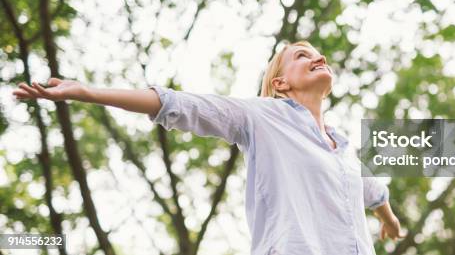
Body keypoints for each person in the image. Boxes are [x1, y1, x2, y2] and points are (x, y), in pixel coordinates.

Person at [13, 41, 404, 255]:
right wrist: (85, 92)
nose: (317, 56)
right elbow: (179, 105)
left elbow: (371, 190)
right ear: (280, 83)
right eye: (302, 55)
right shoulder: (263, 117)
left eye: (318, 54)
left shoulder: (343, 150)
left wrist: (388, 220)